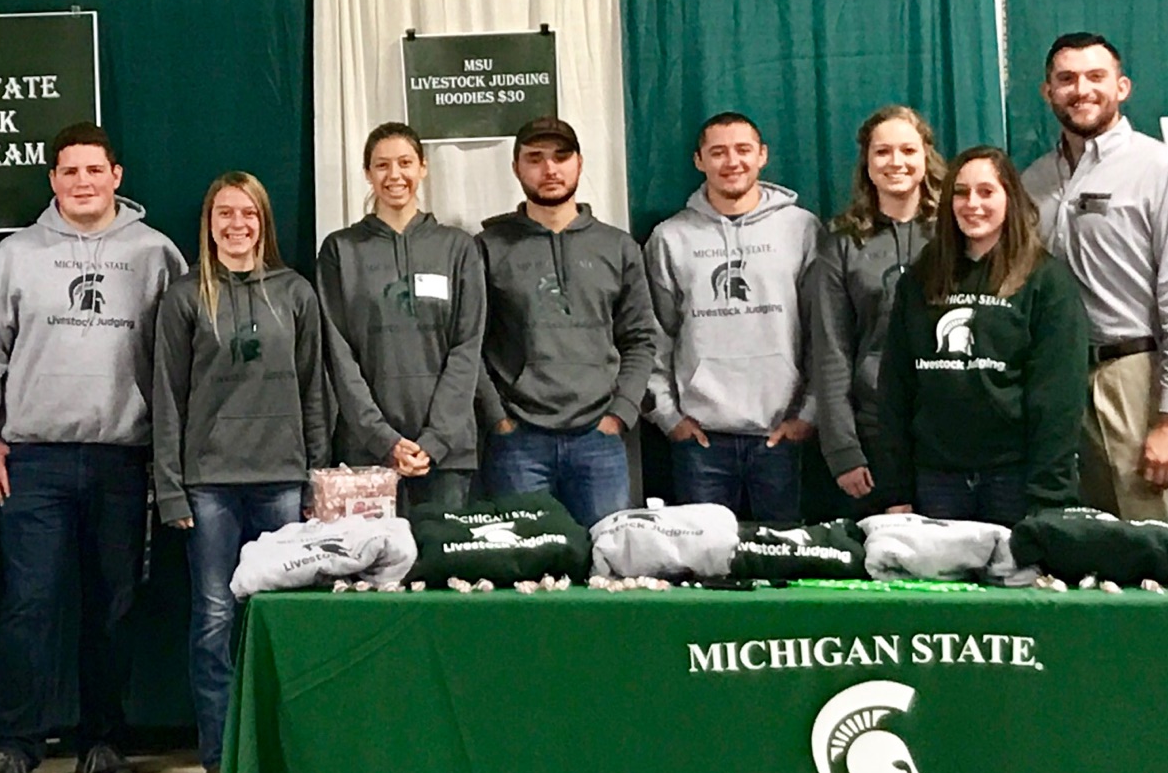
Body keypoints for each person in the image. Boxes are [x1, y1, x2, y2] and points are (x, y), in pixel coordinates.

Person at [0, 122, 186, 773]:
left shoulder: (155, 254)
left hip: (124, 459)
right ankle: (16, 746)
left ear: (117, 176)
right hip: (34, 461)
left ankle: (103, 742)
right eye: (69, 171)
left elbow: (181, 356)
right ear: (52, 181)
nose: (82, 182)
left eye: (95, 170)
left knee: (113, 606)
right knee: (30, 603)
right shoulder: (16, 256)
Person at [151, 172, 329, 773]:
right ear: (209, 224)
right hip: (210, 486)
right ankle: (221, 754)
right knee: (213, 621)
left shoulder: (296, 293)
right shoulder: (183, 298)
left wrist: (316, 479)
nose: (236, 225)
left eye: (248, 213)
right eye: (224, 213)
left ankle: (281, 752)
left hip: (282, 481)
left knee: (278, 619)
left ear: (263, 222)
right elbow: (168, 401)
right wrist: (170, 488)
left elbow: (315, 392)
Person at [1021, 32, 1168, 523]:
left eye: (1095, 77)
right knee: (1069, 535)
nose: (1081, 90)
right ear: (1048, 92)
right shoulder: (1032, 182)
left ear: (1121, 87)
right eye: (1066, 79)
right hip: (1054, 383)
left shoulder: (1163, 171)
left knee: (1145, 537)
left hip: (1131, 376)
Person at [878, 147, 1090, 525]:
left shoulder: (1046, 281)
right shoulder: (920, 280)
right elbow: (896, 388)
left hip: (1015, 482)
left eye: (986, 192)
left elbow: (1058, 400)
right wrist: (896, 490)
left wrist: (1049, 498)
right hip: (936, 481)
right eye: (960, 192)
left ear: (1010, 197)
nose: (972, 204)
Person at [475, 117, 661, 527]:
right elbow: (469, 344)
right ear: (516, 167)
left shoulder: (618, 246)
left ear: (579, 162)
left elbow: (641, 338)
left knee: (608, 566)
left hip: (601, 439)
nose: (550, 169)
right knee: (524, 568)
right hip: (518, 442)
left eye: (561, 157)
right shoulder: (487, 248)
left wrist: (621, 413)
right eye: (535, 159)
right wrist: (497, 419)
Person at [645, 112, 823, 523]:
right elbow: (655, 336)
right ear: (698, 160)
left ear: (762, 156)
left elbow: (823, 331)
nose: (732, 162)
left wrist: (809, 415)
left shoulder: (802, 229)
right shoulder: (671, 237)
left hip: (781, 437)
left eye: (743, 150)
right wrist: (669, 417)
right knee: (705, 572)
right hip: (701, 442)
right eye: (718, 152)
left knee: (782, 570)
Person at [311, 122, 486, 513]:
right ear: (368, 174)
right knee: (372, 573)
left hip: (446, 455)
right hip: (366, 453)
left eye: (405, 163)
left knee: (444, 572)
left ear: (423, 168)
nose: (395, 176)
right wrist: (382, 439)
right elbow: (339, 355)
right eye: (382, 165)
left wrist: (436, 439)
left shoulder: (457, 247)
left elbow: (467, 346)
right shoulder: (341, 251)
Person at [805, 106, 942, 514]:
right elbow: (830, 351)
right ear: (866, 162)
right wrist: (843, 450)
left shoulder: (954, 234)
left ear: (925, 157)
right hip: (873, 432)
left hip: (946, 432)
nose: (896, 162)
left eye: (907, 150)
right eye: (882, 152)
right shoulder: (842, 244)